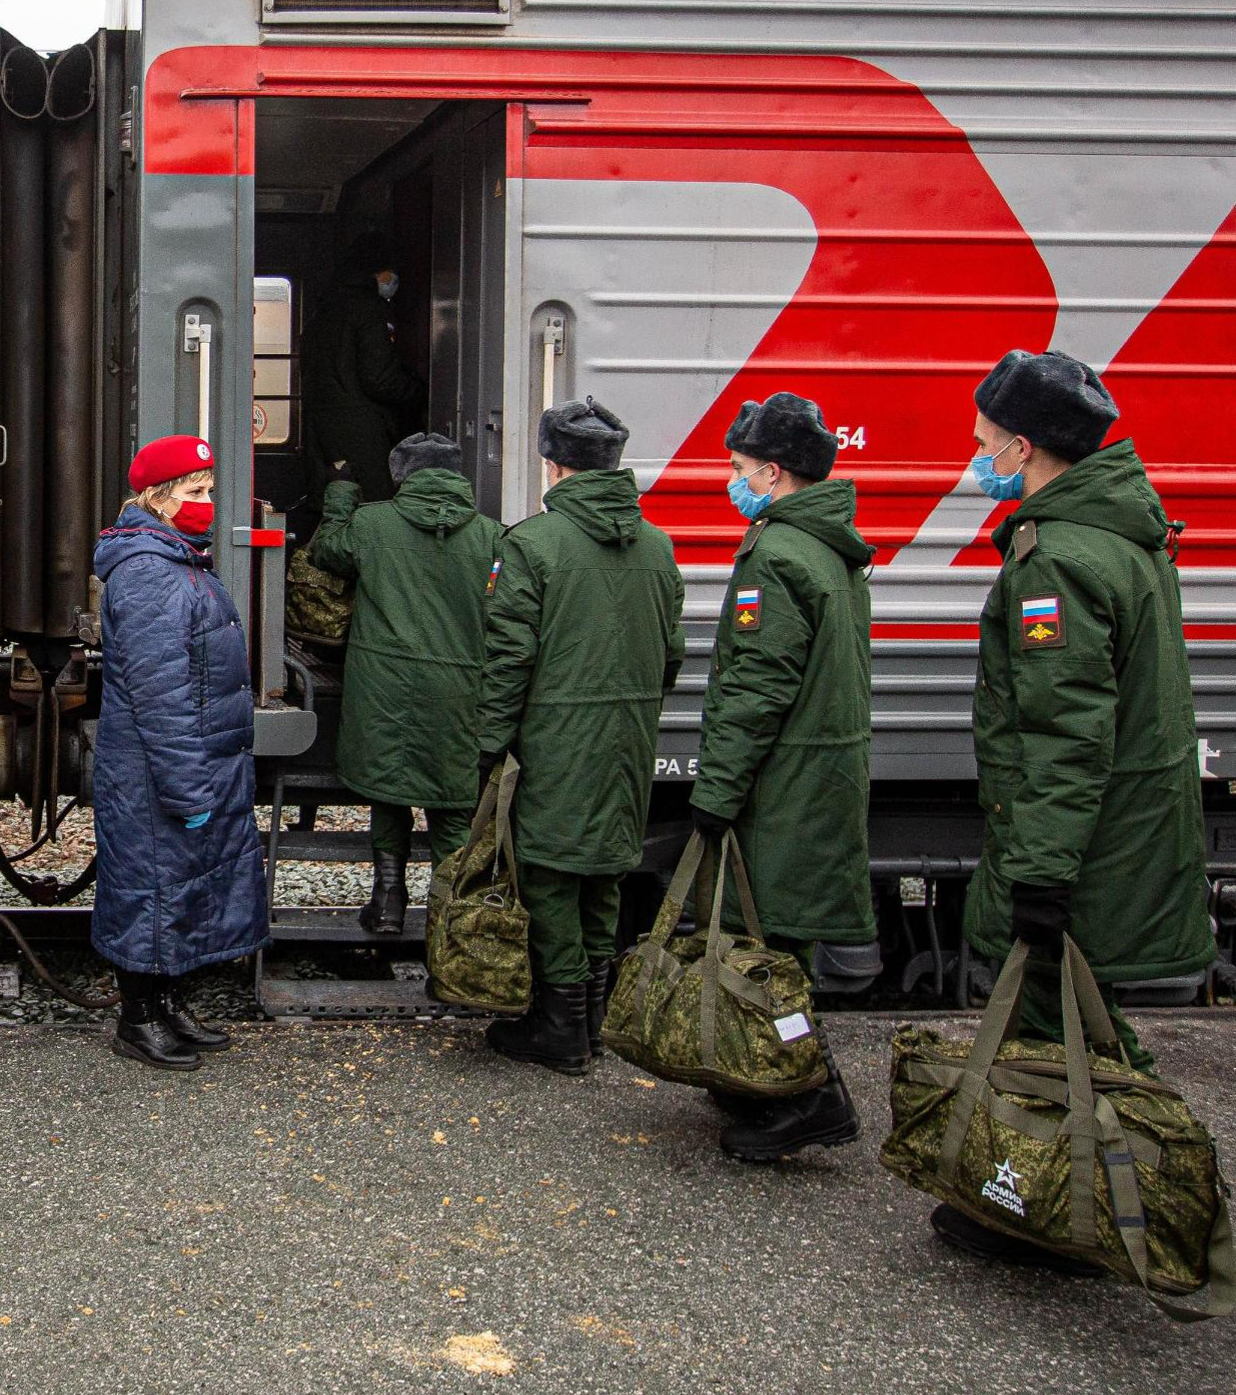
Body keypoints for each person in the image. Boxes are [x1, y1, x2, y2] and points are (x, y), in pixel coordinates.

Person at [935, 349, 1209, 1273]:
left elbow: (1062, 736)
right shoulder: (1124, 535)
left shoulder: (1059, 560)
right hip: (1124, 833)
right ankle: (1082, 1196)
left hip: (1081, 847)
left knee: (1059, 1029)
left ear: (1023, 447)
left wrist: (1040, 876)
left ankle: (1072, 1211)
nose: (975, 458)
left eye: (983, 443)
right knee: (1081, 1027)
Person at [686, 392, 874, 1161]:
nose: (732, 482)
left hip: (782, 788)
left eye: (738, 469)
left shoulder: (778, 554)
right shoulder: (831, 547)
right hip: (817, 775)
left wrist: (715, 793)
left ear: (772, 472)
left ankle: (809, 1095)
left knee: (772, 955)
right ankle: (772, 1084)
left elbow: (756, 690)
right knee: (777, 951)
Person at [471, 399, 685, 1074]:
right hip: (626, 737)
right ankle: (592, 1022)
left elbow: (509, 664)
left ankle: (560, 1026)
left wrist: (487, 746)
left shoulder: (532, 545)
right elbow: (672, 653)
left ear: (553, 464)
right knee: (604, 875)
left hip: (558, 738)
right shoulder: (657, 545)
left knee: (551, 875)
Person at [89, 434, 272, 1070]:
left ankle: (165, 1006)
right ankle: (138, 1019)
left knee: (174, 887)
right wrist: (187, 789)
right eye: (196, 493)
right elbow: (161, 697)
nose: (207, 503)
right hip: (156, 769)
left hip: (178, 762)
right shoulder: (149, 573)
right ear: (160, 499)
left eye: (209, 491)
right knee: (152, 890)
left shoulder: (172, 561)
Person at [302, 431, 498, 936]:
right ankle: (449, 925)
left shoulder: (372, 524)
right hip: (459, 689)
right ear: (456, 476)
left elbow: (325, 552)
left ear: (401, 477)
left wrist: (342, 490)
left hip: (383, 687)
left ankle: (388, 901)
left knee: (388, 789)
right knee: (452, 801)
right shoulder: (492, 536)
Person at [302, 236, 424, 505]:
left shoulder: (323, 311)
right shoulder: (370, 310)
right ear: (376, 272)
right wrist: (421, 392)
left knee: (336, 502)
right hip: (362, 432)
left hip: (323, 429)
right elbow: (380, 379)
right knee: (372, 506)